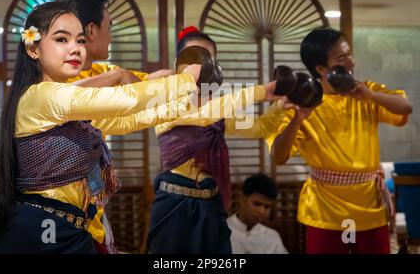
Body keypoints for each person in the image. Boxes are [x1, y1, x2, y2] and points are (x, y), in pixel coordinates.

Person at [0, 1, 201, 253]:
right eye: (62, 39)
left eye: (81, 41)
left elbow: (126, 119)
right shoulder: (42, 96)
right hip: (43, 228)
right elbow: (124, 100)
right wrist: (185, 80)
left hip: (67, 225)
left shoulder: (66, 103)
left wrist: (182, 105)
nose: (75, 49)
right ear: (33, 49)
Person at [146, 27, 290, 254]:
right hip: (174, 205)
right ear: (179, 63)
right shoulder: (162, 98)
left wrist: (282, 104)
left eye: (208, 59)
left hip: (212, 206)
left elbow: (262, 127)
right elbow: (202, 116)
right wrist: (261, 92)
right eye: (194, 57)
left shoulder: (222, 107)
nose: (201, 65)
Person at [270, 27, 413, 254]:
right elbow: (278, 156)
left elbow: (407, 108)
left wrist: (372, 95)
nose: (351, 62)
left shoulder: (367, 92)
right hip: (325, 208)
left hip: (369, 204)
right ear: (320, 69)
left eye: (350, 54)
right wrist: (298, 118)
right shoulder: (299, 105)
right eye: (342, 58)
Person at [57, 0, 174, 86]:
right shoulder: (55, 77)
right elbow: (64, 97)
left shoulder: (101, 71)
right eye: (108, 28)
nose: (110, 38)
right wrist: (118, 76)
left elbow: (146, 80)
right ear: (92, 31)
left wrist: (182, 74)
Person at [227, 173, 288, 254]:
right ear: (241, 199)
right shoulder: (220, 232)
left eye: (267, 206)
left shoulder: (272, 237)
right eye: (257, 204)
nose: (262, 211)